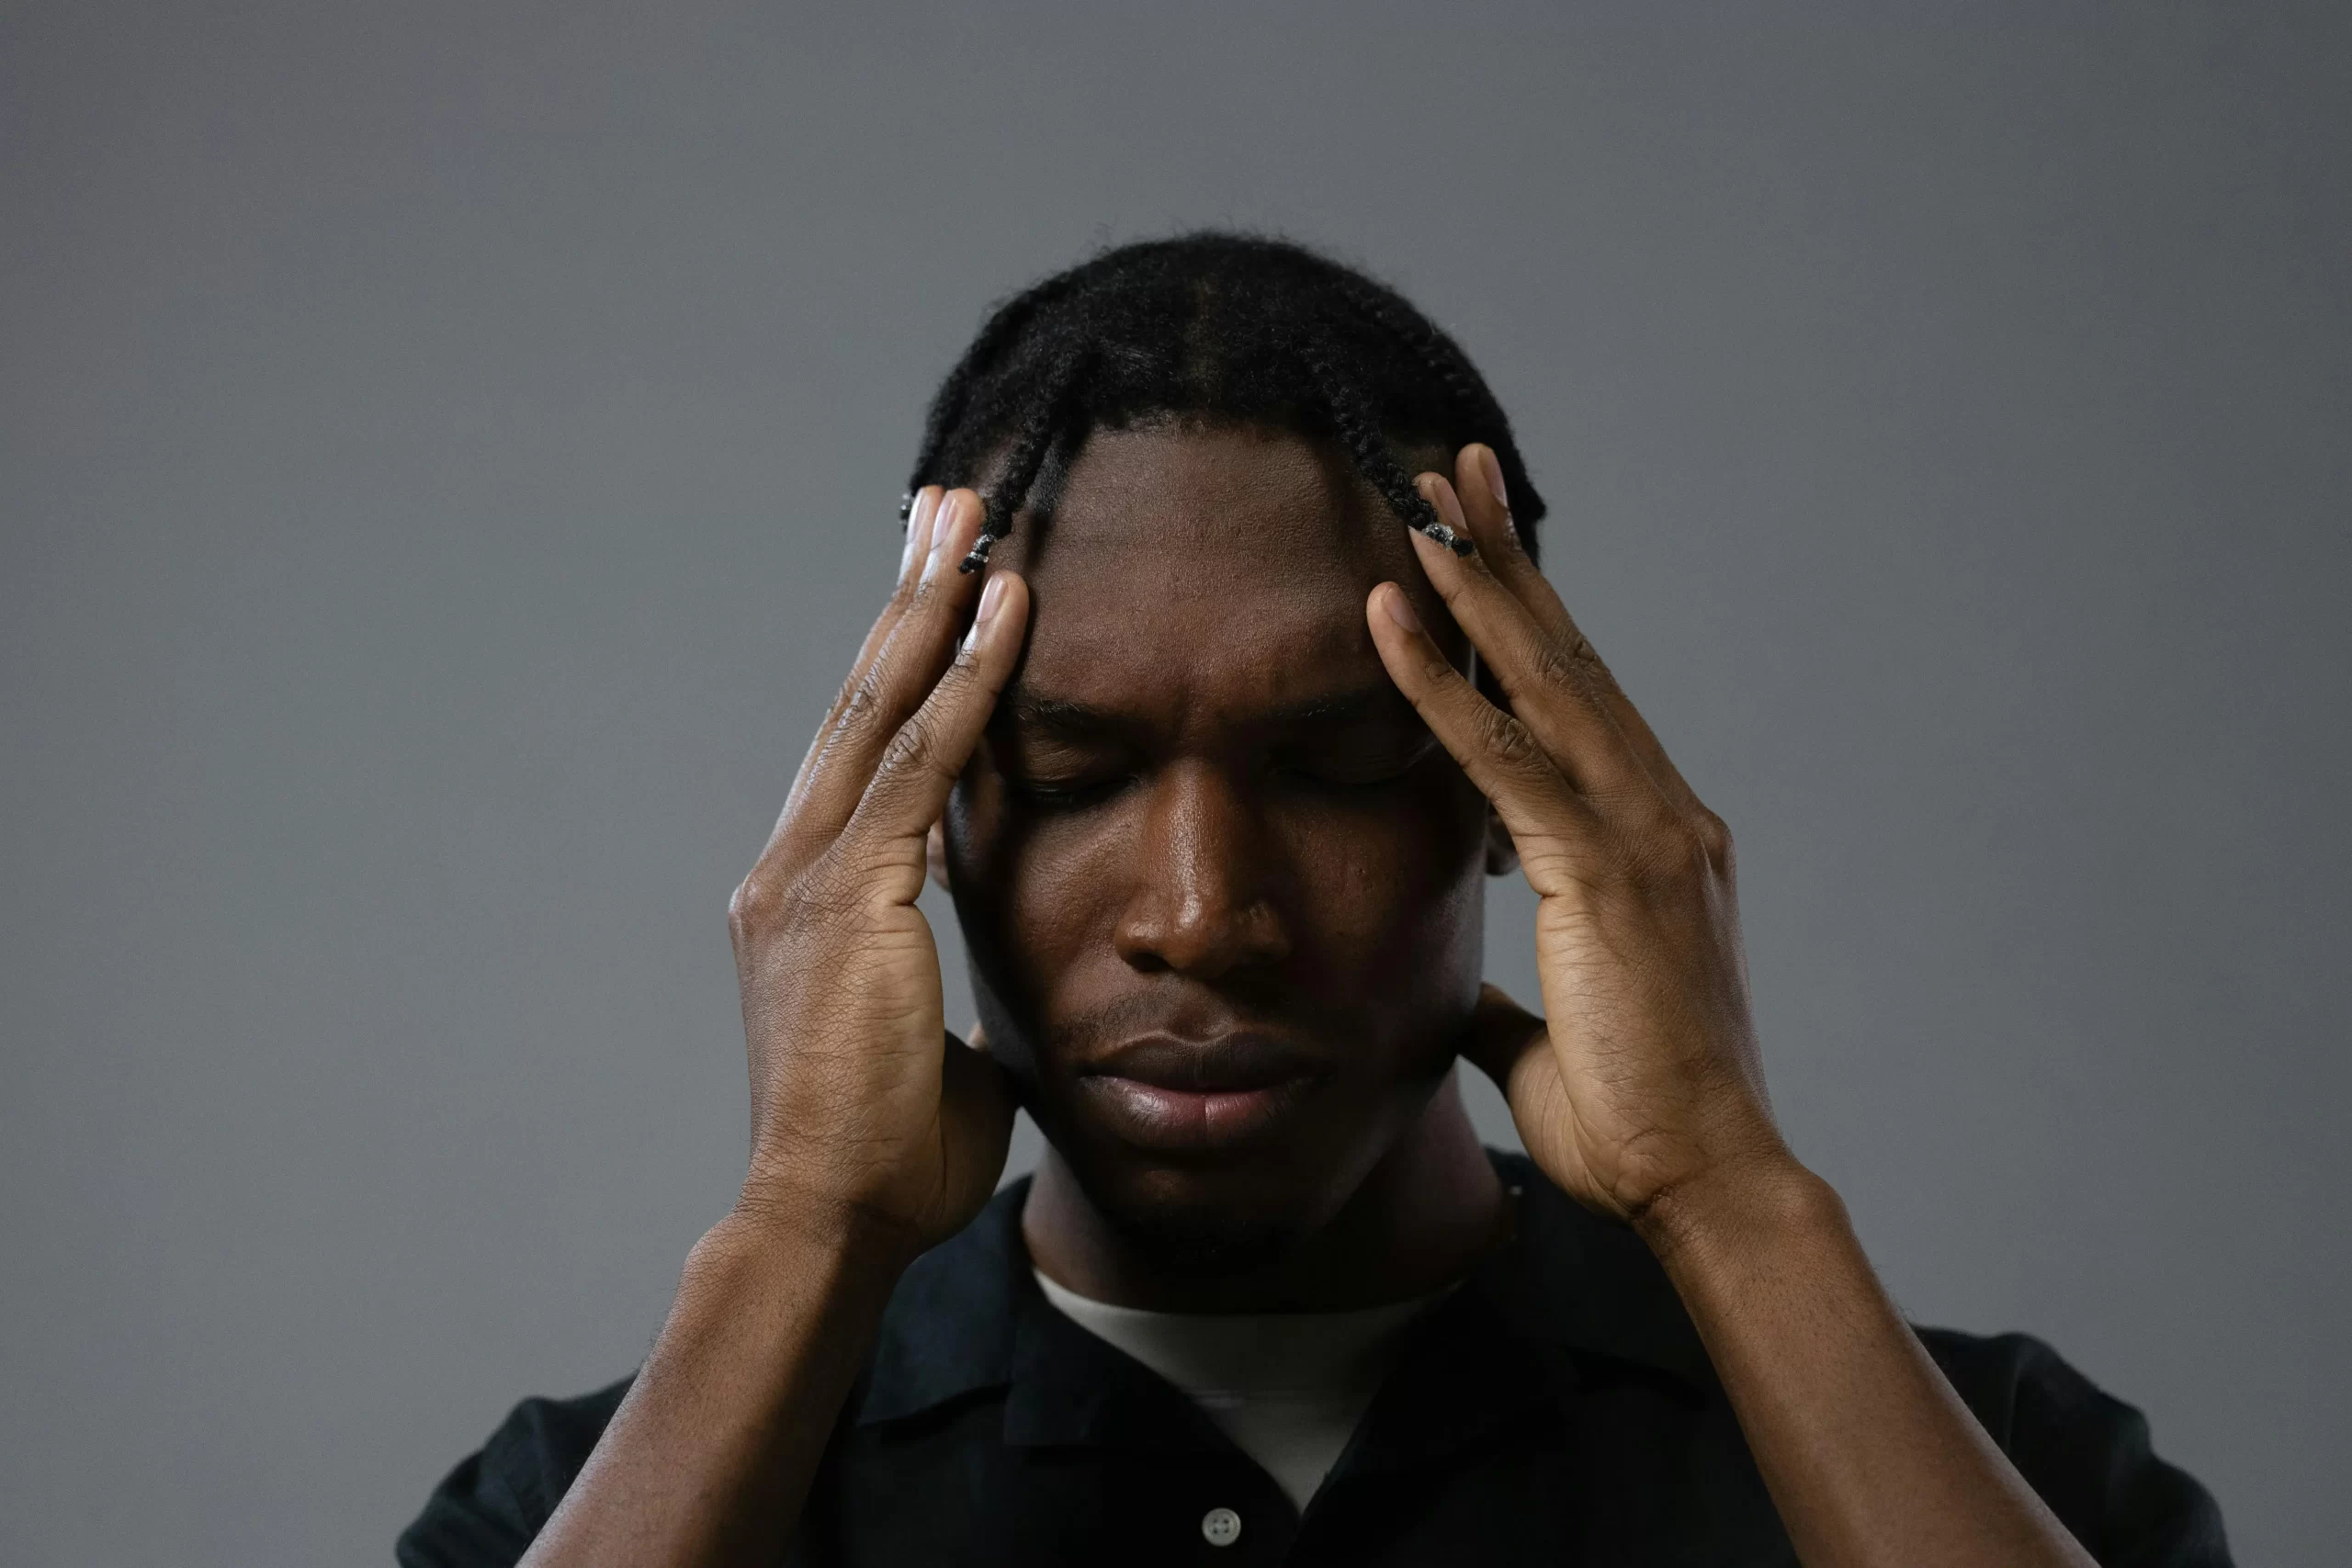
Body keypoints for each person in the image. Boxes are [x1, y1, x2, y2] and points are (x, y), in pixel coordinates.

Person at [398, 234, 2229, 1567]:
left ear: (1522, 791)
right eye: (1072, 767)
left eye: (1340, 761)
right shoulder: (594, 1498)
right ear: (922, 809)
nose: (1203, 915)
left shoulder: (2002, 1465)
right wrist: (803, 1226)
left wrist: (1732, 1203)